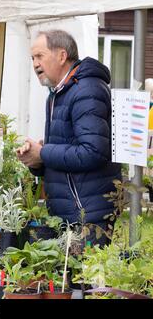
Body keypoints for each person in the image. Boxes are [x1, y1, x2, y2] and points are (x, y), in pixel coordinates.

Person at [17, 29, 121, 246]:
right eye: (32, 58)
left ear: (62, 56)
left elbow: (93, 152)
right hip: (71, 213)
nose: (35, 63)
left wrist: (44, 153)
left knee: (86, 279)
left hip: (88, 216)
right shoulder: (58, 93)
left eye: (40, 56)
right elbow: (67, 147)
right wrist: (36, 159)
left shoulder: (86, 90)